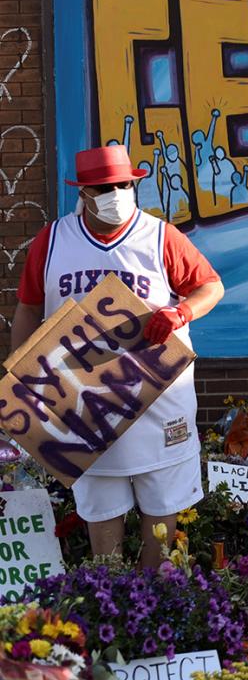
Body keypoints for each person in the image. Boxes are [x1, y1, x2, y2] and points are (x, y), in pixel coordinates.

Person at [8, 144, 225, 570]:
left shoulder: (161, 236)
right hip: (85, 404)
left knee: (162, 511)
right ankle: (113, 606)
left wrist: (181, 310)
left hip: (158, 399)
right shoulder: (52, 241)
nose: (117, 193)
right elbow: (29, 307)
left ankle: (161, 606)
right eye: (105, 187)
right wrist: (23, 376)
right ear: (84, 192)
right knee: (101, 517)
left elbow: (211, 286)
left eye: (124, 184)